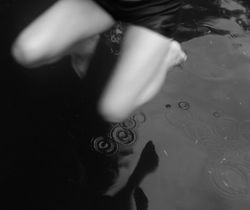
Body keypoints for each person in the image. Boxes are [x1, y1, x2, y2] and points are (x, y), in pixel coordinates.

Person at [12, 0, 187, 122]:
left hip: (154, 9)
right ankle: (83, 43)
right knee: (26, 51)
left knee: (113, 110)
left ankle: (167, 58)